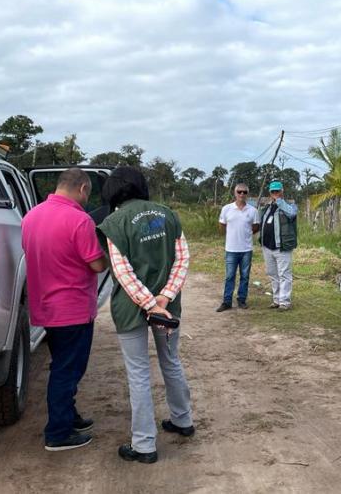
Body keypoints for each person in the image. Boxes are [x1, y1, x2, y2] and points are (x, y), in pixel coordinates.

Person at [97, 166, 194, 464]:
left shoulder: (113, 222)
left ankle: (144, 445)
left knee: (138, 373)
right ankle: (182, 420)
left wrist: (149, 304)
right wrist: (164, 298)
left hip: (131, 309)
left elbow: (122, 271)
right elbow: (182, 259)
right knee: (171, 361)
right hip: (168, 307)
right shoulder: (169, 214)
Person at [21, 167, 108, 452]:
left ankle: (69, 417)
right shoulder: (80, 220)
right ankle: (58, 432)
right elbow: (96, 264)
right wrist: (108, 255)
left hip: (45, 306)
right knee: (67, 371)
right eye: (88, 194)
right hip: (72, 308)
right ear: (83, 188)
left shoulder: (31, 217)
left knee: (62, 365)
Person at [217, 183, 260, 312]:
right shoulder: (226, 209)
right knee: (230, 276)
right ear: (235, 193)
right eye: (239, 192)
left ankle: (242, 299)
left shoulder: (253, 211)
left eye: (244, 192)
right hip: (231, 249)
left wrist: (245, 234)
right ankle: (227, 301)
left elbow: (256, 226)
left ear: (247, 194)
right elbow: (222, 225)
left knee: (245, 276)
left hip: (246, 249)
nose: (242, 194)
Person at [258, 180, 298, 310]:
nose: (275, 193)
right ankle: (276, 300)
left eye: (277, 191)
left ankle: (284, 302)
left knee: (284, 274)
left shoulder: (290, 205)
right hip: (267, 246)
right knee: (272, 274)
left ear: (282, 191)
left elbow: (292, 214)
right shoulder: (268, 207)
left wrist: (279, 201)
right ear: (269, 193)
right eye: (273, 191)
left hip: (282, 246)